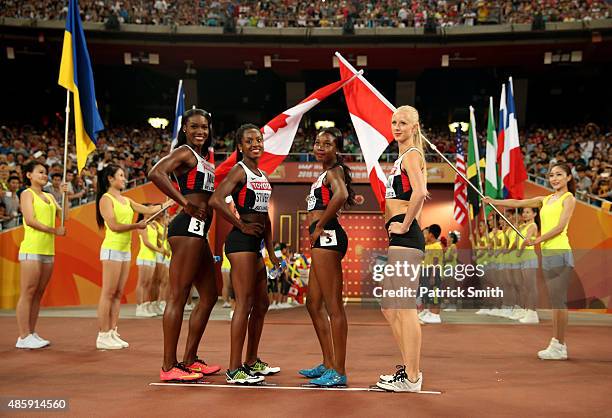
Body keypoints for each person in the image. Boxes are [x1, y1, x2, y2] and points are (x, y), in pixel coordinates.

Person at [149, 108, 221, 382]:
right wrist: (184, 203)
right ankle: (169, 366)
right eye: (194, 127)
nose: (200, 131)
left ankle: (190, 359)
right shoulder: (184, 152)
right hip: (186, 228)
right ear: (185, 129)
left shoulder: (203, 158)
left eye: (204, 127)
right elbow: (156, 173)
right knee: (178, 295)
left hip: (198, 230)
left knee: (210, 295)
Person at [210, 123, 281, 384]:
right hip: (240, 244)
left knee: (262, 303)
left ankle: (251, 361)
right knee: (245, 304)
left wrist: (271, 251)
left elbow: (265, 217)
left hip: (256, 247)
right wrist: (239, 224)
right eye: (249, 141)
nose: (256, 144)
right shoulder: (239, 171)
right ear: (240, 146)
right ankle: (234, 368)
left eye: (259, 140)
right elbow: (216, 199)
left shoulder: (260, 173)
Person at [484, 162, 577, 360]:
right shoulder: (545, 200)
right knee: (555, 301)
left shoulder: (569, 199)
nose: (554, 179)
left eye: (559, 175)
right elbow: (518, 204)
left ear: (568, 177)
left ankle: (559, 344)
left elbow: (560, 227)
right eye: (551, 175)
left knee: (559, 301)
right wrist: (495, 201)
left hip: (560, 252)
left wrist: (536, 240)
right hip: (548, 254)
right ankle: (558, 344)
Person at [376, 106, 428, 392]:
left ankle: (412, 377)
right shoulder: (403, 157)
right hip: (400, 240)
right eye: (394, 122)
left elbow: (420, 193)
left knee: (404, 308)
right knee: (388, 306)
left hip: (406, 238)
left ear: (414, 127)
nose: (397, 127)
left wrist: (406, 225)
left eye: (403, 123)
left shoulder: (412, 155)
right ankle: (408, 369)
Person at [299, 127, 355, 387]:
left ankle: (339, 371)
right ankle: (328, 363)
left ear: (337, 148)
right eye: (317, 143)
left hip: (328, 237)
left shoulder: (334, 172)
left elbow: (341, 195)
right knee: (313, 303)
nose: (320, 147)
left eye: (327, 143)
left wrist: (320, 224)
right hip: (323, 238)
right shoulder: (325, 173)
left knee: (334, 306)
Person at [15, 162, 67, 349]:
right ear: (29, 175)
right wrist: (54, 230)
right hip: (31, 249)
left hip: (47, 250)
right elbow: (30, 220)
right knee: (28, 291)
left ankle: (31, 332)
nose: (44, 175)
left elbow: (65, 217)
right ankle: (23, 336)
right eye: (40, 172)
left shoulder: (50, 196)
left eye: (46, 173)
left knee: (38, 293)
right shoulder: (26, 194)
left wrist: (65, 195)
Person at [135, 209, 164, 318]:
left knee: (148, 283)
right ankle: (139, 306)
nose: (152, 210)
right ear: (143, 211)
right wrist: (159, 249)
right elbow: (146, 242)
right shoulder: (142, 225)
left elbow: (157, 239)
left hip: (152, 257)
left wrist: (160, 246)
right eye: (149, 209)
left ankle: (146, 306)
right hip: (144, 256)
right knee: (142, 283)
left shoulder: (153, 225)